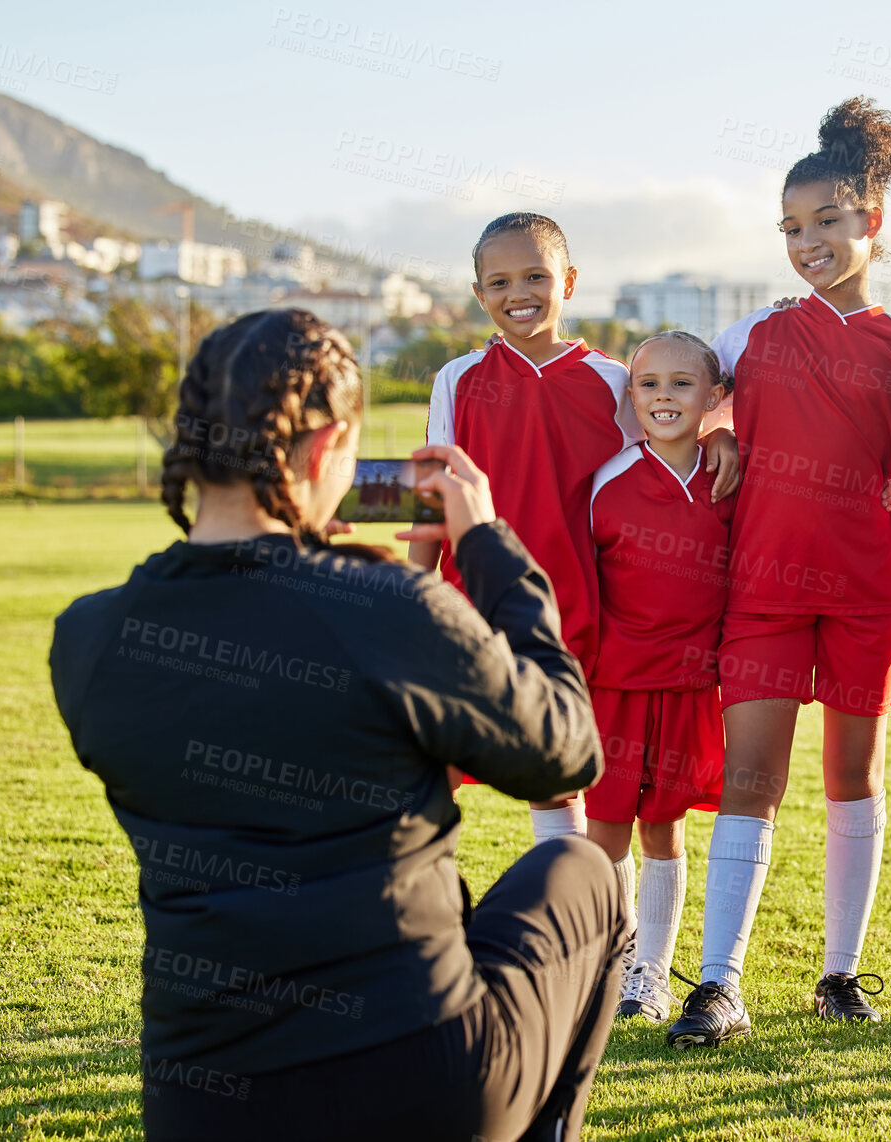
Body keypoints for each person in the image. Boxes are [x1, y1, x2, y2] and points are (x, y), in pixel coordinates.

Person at [50, 308, 627, 1141]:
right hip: (423, 1077)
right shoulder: (390, 609)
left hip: (201, 1101)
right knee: (582, 872)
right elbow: (566, 750)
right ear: (326, 452)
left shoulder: (90, 637)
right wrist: (491, 548)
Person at [667, 96, 891, 1048]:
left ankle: (839, 974)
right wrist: (719, 435)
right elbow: (676, 408)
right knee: (750, 778)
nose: (808, 241)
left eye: (828, 221)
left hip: (869, 584)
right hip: (766, 587)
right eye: (792, 227)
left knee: (854, 778)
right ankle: (717, 984)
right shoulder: (752, 336)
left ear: (873, 221)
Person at [407, 212, 740, 848]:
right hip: (471, 606)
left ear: (569, 281)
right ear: (480, 296)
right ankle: (408, 918)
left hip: (575, 615)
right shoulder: (457, 378)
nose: (519, 294)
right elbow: (432, 497)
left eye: (536, 276)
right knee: (432, 764)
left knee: (555, 779)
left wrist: (719, 434)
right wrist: (413, 597)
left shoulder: (613, 381)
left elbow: (669, 445)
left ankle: (575, 927)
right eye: (499, 282)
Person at [586, 331, 734, 1024]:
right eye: (649, 384)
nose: (665, 397)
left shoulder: (734, 475)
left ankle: (651, 975)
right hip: (615, 682)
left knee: (665, 827)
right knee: (606, 825)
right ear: (631, 395)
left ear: (713, 396)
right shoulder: (606, 481)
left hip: (691, 685)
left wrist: (728, 442)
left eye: (682, 384)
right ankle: (610, 965)